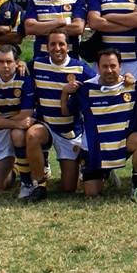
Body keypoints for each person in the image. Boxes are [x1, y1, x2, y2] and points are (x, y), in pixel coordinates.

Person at [62, 48, 137, 202]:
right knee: (91, 194)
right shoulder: (85, 89)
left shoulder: (131, 86)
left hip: (120, 144)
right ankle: (106, 172)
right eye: (104, 66)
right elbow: (67, 113)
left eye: (113, 66)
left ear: (120, 66)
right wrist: (64, 94)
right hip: (94, 149)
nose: (109, 70)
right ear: (98, 68)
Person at [21, 29, 96, 201]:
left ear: (68, 46)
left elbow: (101, 83)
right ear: (46, 47)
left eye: (61, 44)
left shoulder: (80, 67)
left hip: (69, 131)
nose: (57, 48)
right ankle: (40, 184)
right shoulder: (37, 65)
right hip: (46, 126)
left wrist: (125, 78)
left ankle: (81, 168)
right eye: (52, 44)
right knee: (32, 135)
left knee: (69, 189)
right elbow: (17, 68)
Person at [0, 45, 36, 196]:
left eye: (9, 61)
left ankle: (26, 182)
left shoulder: (25, 76)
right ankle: (16, 166)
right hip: (7, 124)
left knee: (18, 133)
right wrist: (3, 125)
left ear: (17, 62)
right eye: (1, 61)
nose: (5, 66)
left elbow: (26, 113)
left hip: (16, 125)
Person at [23, 0, 87, 60]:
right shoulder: (35, 2)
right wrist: (61, 22)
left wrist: (42, 27)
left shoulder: (77, 1)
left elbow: (77, 28)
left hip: (71, 60)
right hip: (41, 60)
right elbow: (30, 28)